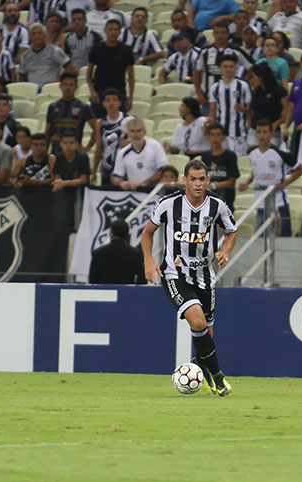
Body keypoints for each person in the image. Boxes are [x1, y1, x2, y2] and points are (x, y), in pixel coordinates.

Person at [141, 159, 238, 396]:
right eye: (192, 179)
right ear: (184, 180)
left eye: (201, 179)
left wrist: (225, 251)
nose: (197, 183)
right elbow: (148, 232)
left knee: (206, 336)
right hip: (175, 273)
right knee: (197, 322)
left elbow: (232, 232)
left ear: (207, 180)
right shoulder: (168, 204)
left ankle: (199, 368)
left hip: (205, 276)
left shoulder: (218, 205)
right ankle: (218, 377)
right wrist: (149, 260)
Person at [240, 119, 302, 237]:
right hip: (260, 201)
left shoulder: (281, 153)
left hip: (279, 201)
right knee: (260, 238)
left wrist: (284, 183)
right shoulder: (252, 152)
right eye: (259, 132)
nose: (262, 135)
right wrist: (247, 182)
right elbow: (257, 169)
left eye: (265, 132)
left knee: (283, 238)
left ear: (271, 134)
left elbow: (301, 170)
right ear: (255, 134)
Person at [193, 22, 252, 116]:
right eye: (217, 32)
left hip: (232, 98)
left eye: (223, 32)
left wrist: (243, 81)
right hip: (209, 99)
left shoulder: (236, 50)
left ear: (228, 34)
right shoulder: (205, 51)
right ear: (213, 34)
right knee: (209, 127)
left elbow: (251, 67)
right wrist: (199, 93)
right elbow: (197, 72)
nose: (220, 35)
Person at [87, 19, 135, 116]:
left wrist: (130, 98)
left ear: (120, 31)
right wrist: (92, 92)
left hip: (119, 91)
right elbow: (89, 74)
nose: (113, 32)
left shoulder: (126, 50)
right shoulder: (96, 48)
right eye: (110, 29)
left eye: (116, 30)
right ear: (105, 30)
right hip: (99, 91)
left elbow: (131, 76)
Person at [208, 55, 252, 159]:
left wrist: (243, 110)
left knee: (239, 160)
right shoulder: (215, 87)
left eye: (231, 66)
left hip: (239, 132)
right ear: (220, 68)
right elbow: (213, 111)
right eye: (225, 66)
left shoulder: (243, 86)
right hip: (220, 134)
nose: (228, 69)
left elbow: (250, 110)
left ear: (236, 68)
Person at [46, 73, 97, 155]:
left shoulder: (83, 107)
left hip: (75, 155)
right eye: (65, 84)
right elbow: (47, 133)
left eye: (71, 84)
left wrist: (87, 148)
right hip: (55, 154)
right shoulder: (52, 107)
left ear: (76, 87)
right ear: (60, 86)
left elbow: (96, 128)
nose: (68, 88)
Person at [111, 116, 167, 190]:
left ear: (144, 132)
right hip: (134, 194)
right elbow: (116, 176)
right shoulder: (122, 153)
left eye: (139, 131)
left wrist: (145, 184)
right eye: (132, 131)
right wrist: (121, 183)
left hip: (155, 192)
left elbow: (164, 171)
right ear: (127, 133)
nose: (136, 134)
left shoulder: (155, 146)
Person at [89, 219, 144, 284]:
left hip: (104, 293)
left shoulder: (97, 253)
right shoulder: (136, 254)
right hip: (127, 292)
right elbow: (142, 279)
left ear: (111, 233)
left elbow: (92, 280)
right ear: (127, 233)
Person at [200, 123, 239, 213]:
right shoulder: (205, 156)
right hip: (207, 202)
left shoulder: (230, 155)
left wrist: (213, 186)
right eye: (212, 135)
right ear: (208, 137)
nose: (215, 138)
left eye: (218, 135)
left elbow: (231, 182)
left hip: (225, 201)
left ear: (223, 137)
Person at [249, 63, 288, 149]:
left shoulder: (279, 91)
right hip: (255, 130)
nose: (252, 79)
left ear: (261, 77)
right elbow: (252, 110)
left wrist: (275, 124)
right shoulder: (257, 90)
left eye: (254, 76)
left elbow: (287, 111)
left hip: (271, 131)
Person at [92, 88, 126, 185]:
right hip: (106, 167)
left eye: (114, 100)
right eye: (108, 100)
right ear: (103, 104)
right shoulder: (100, 123)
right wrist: (94, 170)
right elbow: (98, 148)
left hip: (123, 167)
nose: (111, 103)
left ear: (119, 103)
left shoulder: (127, 120)